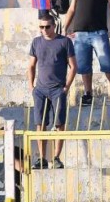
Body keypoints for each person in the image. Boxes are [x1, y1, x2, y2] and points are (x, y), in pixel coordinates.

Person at [28, 16, 76, 169]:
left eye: (47, 27)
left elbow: (73, 66)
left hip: (57, 89)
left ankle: (56, 157)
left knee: (59, 124)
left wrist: (66, 88)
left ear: (54, 26)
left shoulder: (65, 41)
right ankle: (42, 158)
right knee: (40, 124)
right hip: (40, 89)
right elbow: (31, 66)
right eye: (41, 27)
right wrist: (31, 86)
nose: (44, 30)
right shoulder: (36, 42)